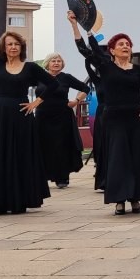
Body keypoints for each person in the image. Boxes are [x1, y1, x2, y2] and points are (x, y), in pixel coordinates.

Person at [69, 11, 140, 215]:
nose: (125, 46)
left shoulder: (138, 70)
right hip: (113, 118)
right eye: (121, 44)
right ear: (112, 50)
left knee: (137, 157)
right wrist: (75, 25)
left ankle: (135, 197)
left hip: (136, 118)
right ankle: (119, 199)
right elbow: (84, 49)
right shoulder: (106, 66)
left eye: (128, 44)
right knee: (118, 157)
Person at [0, 6, 57, 215]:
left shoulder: (31, 67)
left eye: (16, 44)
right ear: (4, 48)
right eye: (9, 44)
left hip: (22, 115)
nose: (13, 47)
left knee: (20, 157)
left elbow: (53, 84)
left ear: (21, 47)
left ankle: (19, 200)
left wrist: (36, 102)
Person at [36, 53, 89, 189]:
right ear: (47, 63)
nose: (56, 63)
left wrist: (76, 101)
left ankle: (62, 177)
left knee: (62, 146)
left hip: (62, 117)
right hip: (42, 117)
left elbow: (86, 88)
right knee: (43, 146)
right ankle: (43, 176)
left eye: (59, 61)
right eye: (53, 61)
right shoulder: (39, 77)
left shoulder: (66, 77)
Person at [75, 31, 107, 191]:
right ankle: (101, 177)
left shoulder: (118, 77)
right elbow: (88, 64)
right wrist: (89, 56)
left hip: (115, 112)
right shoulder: (97, 80)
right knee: (100, 146)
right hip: (102, 114)